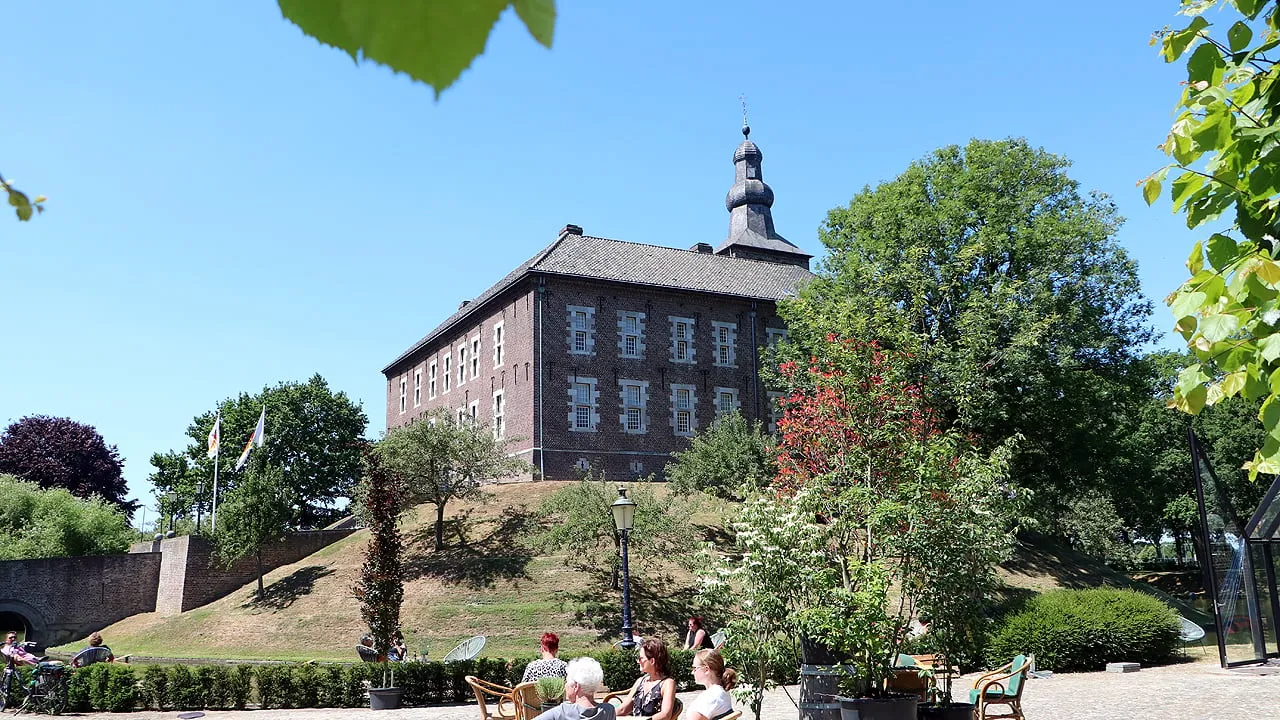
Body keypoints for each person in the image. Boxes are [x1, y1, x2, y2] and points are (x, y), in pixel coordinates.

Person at [532, 657, 615, 720]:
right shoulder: (608, 711)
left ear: (576, 686)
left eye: (567, 681)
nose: (566, 686)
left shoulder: (562, 712)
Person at [616, 638, 676, 720]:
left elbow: (666, 715)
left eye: (641, 658)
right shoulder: (640, 681)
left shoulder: (667, 683)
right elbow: (623, 709)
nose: (638, 661)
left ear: (652, 661)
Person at [687, 649, 737, 720]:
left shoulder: (710, 697)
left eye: (695, 668)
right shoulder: (723, 692)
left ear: (706, 670)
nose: (692, 672)